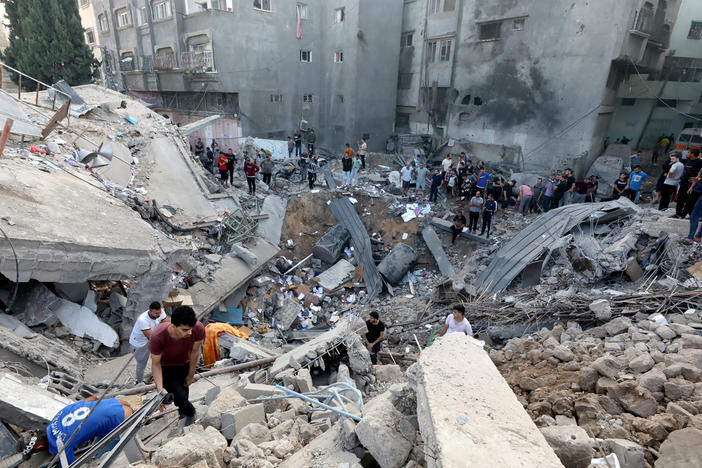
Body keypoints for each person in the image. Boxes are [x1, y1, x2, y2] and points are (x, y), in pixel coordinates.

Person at [16, 396, 133, 464]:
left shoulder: (60, 445)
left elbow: (74, 465)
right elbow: (91, 399)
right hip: (117, 402)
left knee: (97, 460)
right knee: (96, 444)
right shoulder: (56, 418)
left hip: (124, 418)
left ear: (39, 447)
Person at [150, 305, 205, 425]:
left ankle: (183, 414)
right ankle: (190, 413)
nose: (190, 333)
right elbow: (155, 364)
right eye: (185, 330)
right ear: (173, 326)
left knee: (184, 391)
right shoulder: (157, 337)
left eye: (191, 328)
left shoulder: (198, 328)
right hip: (165, 366)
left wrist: (191, 374)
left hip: (184, 363)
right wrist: (160, 390)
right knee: (177, 393)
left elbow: (195, 352)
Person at [129, 302, 169, 386]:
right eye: (156, 313)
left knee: (161, 357)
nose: (158, 315)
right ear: (150, 311)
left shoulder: (160, 312)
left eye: (159, 313)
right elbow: (151, 338)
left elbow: (167, 324)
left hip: (151, 338)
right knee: (141, 364)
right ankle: (140, 382)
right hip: (139, 344)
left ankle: (163, 376)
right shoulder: (143, 319)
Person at [675, 149, 702, 218]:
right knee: (680, 199)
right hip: (683, 183)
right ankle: (678, 214)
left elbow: (699, 174)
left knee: (689, 201)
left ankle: (687, 215)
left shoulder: (699, 162)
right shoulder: (688, 161)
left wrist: (697, 179)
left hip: (691, 185)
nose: (686, 154)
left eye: (688, 152)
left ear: (692, 154)